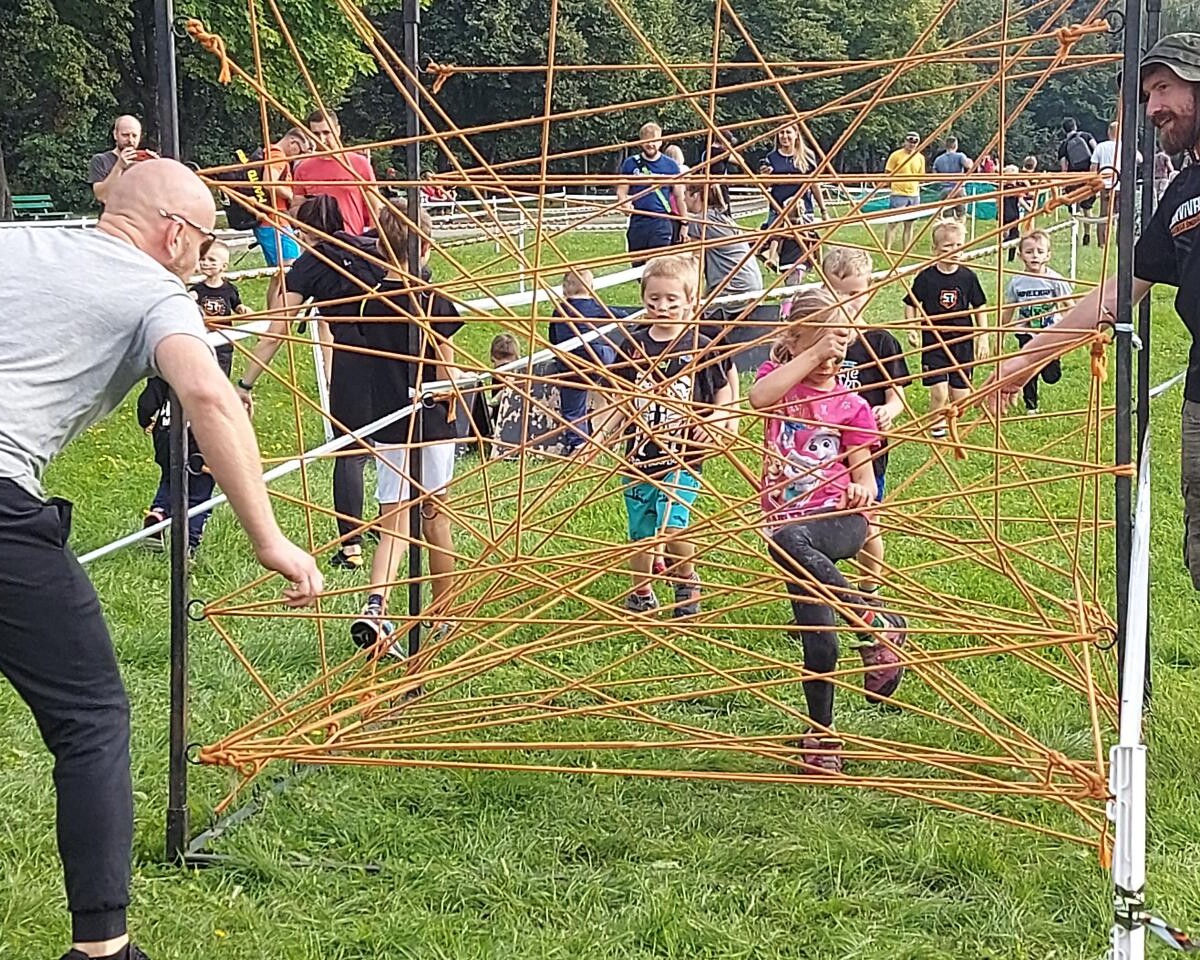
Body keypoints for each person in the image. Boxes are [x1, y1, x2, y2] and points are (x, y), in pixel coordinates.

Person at [0, 158, 321, 960]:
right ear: (175, 233)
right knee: (91, 718)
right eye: (206, 237)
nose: (206, 253)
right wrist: (269, 540)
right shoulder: (156, 293)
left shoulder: (19, 245)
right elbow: (208, 396)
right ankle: (102, 949)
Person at [993, 34, 1200, 586]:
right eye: (1148, 95)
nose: (1153, 108)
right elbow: (1115, 294)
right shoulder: (1181, 193)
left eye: (1164, 88)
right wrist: (1023, 361)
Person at [748, 286, 907, 774]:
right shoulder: (777, 383)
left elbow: (862, 475)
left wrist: (861, 489)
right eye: (818, 349)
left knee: (789, 539)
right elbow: (758, 399)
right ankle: (821, 739)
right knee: (821, 641)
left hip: (840, 522)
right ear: (794, 344)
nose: (828, 361)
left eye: (835, 350)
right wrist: (812, 351)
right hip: (790, 532)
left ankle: (871, 622)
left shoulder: (851, 406)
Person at [236, 195, 386, 570]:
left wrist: (245, 383)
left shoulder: (308, 265)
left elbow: (277, 329)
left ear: (304, 229)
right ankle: (392, 529)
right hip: (394, 354)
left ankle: (350, 548)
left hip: (352, 359)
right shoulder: (370, 247)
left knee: (349, 453)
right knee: (391, 445)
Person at [593, 254, 739, 617]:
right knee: (641, 531)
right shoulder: (633, 346)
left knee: (673, 524)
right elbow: (620, 399)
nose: (662, 307)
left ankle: (686, 579)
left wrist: (721, 418)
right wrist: (602, 434)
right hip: (640, 457)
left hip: (684, 456)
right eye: (654, 299)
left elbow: (723, 387)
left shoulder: (702, 345)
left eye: (672, 300)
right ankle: (641, 592)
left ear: (692, 302)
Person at [348, 203, 464, 653]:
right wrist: (455, 399)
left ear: (379, 245)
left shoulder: (366, 301)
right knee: (435, 518)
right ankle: (444, 612)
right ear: (428, 245)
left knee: (394, 520)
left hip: (390, 421)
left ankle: (377, 604)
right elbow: (446, 365)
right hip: (431, 419)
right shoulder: (434, 300)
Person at [137, 239, 254, 553]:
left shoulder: (166, 350)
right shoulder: (199, 347)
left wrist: (146, 416)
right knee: (202, 479)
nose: (206, 264)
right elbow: (208, 396)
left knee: (171, 475)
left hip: (166, 425)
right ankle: (189, 537)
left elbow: (151, 390)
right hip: (199, 426)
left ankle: (159, 515)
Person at [820, 246, 909, 592]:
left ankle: (870, 592)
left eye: (855, 293)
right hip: (821, 454)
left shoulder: (881, 342)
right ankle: (822, 595)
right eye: (837, 293)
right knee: (818, 524)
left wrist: (889, 410)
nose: (846, 302)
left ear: (870, 290)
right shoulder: (819, 341)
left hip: (868, 455)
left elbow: (897, 393)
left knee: (868, 525)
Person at [904, 219, 988, 439]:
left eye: (959, 246)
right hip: (934, 342)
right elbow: (910, 303)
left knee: (961, 398)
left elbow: (979, 305)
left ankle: (951, 418)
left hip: (962, 342)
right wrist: (911, 328)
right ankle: (936, 423)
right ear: (935, 251)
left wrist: (983, 336)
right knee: (939, 392)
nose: (954, 251)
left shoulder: (968, 277)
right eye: (947, 247)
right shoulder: (926, 277)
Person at [549, 268, 630, 455]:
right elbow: (622, 315)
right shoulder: (595, 307)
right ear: (591, 288)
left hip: (573, 363)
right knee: (614, 352)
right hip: (598, 357)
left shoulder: (559, 310)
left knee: (572, 405)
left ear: (564, 290)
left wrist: (558, 359)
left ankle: (579, 443)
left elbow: (554, 339)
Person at [1001, 230, 1074, 414]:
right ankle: (1031, 405)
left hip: (1051, 332)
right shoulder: (1016, 283)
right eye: (1029, 251)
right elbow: (1008, 310)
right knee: (1027, 369)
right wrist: (1000, 334)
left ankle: (1051, 362)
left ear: (1048, 255)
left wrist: (1071, 330)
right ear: (1020, 255)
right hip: (1026, 333)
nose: (1035, 255)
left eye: (1040, 251)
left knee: (1052, 376)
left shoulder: (1055, 280)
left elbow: (1070, 306)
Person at [292, 109, 379, 236]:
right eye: (316, 134)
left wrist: (371, 238)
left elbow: (375, 205)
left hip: (352, 240)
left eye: (326, 132)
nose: (322, 139)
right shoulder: (303, 169)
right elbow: (296, 207)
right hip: (318, 244)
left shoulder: (358, 163)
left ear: (337, 130)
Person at [615, 122, 685, 265]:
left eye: (654, 141)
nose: (651, 144)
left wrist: (684, 224)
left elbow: (679, 197)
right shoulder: (630, 164)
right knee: (638, 267)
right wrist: (625, 204)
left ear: (660, 141)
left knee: (658, 266)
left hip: (661, 222)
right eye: (647, 141)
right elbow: (621, 191)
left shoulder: (671, 166)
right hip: (638, 222)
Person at [683, 182, 764, 299]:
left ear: (695, 196)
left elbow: (697, 262)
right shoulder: (720, 218)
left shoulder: (702, 223)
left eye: (685, 193)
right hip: (751, 283)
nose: (683, 198)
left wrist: (696, 298)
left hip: (735, 287)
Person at [246, 128, 310, 268]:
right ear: (293, 142)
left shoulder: (267, 152)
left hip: (268, 221)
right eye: (301, 152)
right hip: (276, 222)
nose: (299, 157)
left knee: (277, 274)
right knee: (291, 267)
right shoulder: (277, 156)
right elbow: (269, 183)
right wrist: (292, 196)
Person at [759, 121, 826, 228]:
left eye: (788, 132)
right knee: (775, 240)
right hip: (778, 210)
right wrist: (764, 176)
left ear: (796, 134)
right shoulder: (772, 157)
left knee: (805, 241)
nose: (785, 136)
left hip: (803, 211)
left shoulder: (807, 156)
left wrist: (823, 211)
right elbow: (766, 185)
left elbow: (814, 184)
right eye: (781, 132)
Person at [1091, 120, 1143, 247]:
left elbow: (1093, 167)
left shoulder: (1101, 146)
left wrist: (1094, 183)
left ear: (1109, 132)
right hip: (1123, 186)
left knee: (1104, 216)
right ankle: (1121, 241)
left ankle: (1102, 243)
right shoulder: (1127, 146)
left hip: (1106, 185)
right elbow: (1140, 159)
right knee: (1123, 216)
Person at [88, 115, 157, 208]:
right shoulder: (101, 160)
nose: (130, 140)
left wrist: (158, 167)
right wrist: (119, 166)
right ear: (115, 135)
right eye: (125, 135)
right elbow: (102, 196)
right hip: (114, 220)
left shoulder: (145, 162)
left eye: (134, 136)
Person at [1057, 116, 1098, 246]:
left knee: (1074, 207)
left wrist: (1064, 183)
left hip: (1074, 178)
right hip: (1088, 176)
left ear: (1064, 130)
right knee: (1087, 207)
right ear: (1075, 126)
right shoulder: (1086, 136)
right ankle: (1087, 234)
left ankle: (1075, 233)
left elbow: (1064, 167)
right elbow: (1096, 151)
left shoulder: (1063, 145)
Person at [882, 132, 926, 251]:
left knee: (909, 224)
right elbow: (888, 173)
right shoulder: (896, 155)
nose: (912, 144)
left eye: (915, 142)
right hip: (898, 194)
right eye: (910, 141)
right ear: (905, 141)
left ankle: (906, 250)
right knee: (893, 223)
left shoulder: (920, 158)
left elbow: (921, 177)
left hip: (914, 194)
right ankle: (887, 249)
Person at [931, 136, 974, 218]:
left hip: (944, 190)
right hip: (958, 189)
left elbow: (934, 175)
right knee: (961, 215)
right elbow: (968, 165)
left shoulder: (938, 159)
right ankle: (960, 229)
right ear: (956, 145)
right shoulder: (960, 156)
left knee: (947, 218)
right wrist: (970, 161)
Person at [1000, 164, 1024, 263]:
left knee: (1014, 235)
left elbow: (1020, 200)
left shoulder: (1010, 188)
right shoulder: (1003, 188)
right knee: (1010, 235)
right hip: (1007, 214)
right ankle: (1006, 247)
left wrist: (1030, 209)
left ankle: (1010, 257)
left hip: (1012, 213)